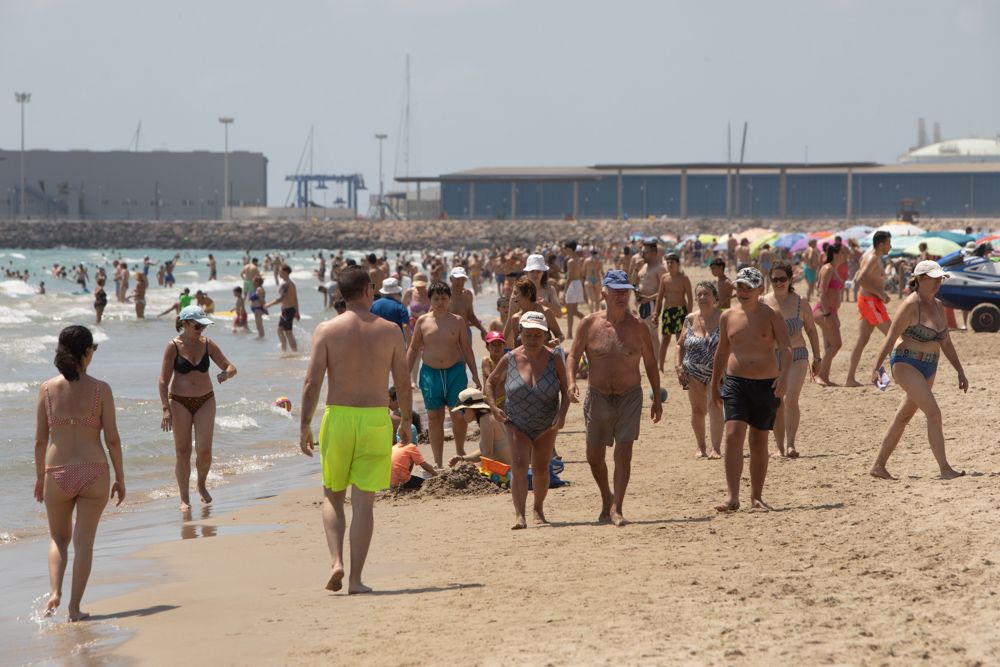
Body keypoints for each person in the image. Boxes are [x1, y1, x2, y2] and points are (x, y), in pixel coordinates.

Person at [299, 265, 413, 594]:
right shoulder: (391, 331)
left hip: (338, 416)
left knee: (332, 495)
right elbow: (403, 381)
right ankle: (356, 580)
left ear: (341, 294)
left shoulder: (326, 330)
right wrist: (405, 420)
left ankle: (336, 562)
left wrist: (304, 424)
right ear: (368, 292)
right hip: (376, 417)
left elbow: (312, 381)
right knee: (364, 503)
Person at [34, 326, 125, 621]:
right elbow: (112, 439)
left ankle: (55, 592)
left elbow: (39, 440)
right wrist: (120, 477)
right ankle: (74, 608)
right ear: (86, 352)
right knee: (84, 542)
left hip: (56, 471)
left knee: (58, 538)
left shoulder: (47, 389)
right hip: (93, 471)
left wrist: (39, 478)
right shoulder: (101, 389)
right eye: (93, 349)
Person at [568, 270, 661, 526]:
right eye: (616, 290)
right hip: (597, 396)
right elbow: (573, 355)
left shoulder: (639, 327)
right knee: (594, 456)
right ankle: (606, 498)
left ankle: (617, 507)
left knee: (623, 451)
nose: (621, 295)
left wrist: (657, 398)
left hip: (629, 396)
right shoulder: (589, 324)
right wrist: (571, 381)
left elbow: (651, 363)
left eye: (625, 290)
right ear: (604, 293)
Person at [869, 260, 967, 481]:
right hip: (906, 363)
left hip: (930, 366)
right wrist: (876, 367)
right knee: (934, 413)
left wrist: (960, 371)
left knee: (903, 416)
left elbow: (947, 344)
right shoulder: (910, 305)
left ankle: (878, 466)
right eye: (934, 278)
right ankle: (945, 468)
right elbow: (891, 337)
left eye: (940, 278)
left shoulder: (939, 305)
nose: (938, 282)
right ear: (920, 279)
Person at [711, 267, 791, 512]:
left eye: (748, 287)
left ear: (759, 289)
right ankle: (732, 496)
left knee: (758, 441)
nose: (743, 292)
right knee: (733, 435)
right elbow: (722, 351)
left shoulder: (771, 314)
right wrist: (714, 384)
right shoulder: (728, 317)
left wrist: (784, 376)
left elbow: (786, 348)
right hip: (736, 382)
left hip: (766, 384)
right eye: (740, 287)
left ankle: (756, 496)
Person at [484, 311, 570, 529]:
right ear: (520, 333)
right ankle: (519, 515)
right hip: (516, 421)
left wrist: (562, 414)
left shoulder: (554, 358)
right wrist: (494, 408)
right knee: (520, 467)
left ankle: (538, 509)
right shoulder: (510, 358)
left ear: (545, 335)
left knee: (541, 469)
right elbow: (490, 382)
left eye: (538, 336)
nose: (533, 340)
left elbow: (566, 389)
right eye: (528, 335)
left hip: (546, 423)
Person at [159, 306, 237, 511]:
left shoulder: (208, 344)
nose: (201, 328)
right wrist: (165, 409)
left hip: (205, 400)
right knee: (182, 451)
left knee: (204, 452)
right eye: (197, 325)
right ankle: (184, 498)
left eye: (203, 325)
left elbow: (231, 367)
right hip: (179, 402)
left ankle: (201, 484)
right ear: (184, 323)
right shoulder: (172, 346)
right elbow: (162, 381)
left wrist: (225, 374)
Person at [407, 281, 481, 467]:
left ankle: (459, 451)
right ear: (430, 300)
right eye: (436, 298)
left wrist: (474, 373)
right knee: (434, 416)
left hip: (455, 371)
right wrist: (404, 375)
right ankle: (438, 462)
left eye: (443, 298)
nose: (440, 302)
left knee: (458, 414)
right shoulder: (423, 321)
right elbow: (414, 348)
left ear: (449, 299)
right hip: (430, 374)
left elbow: (466, 348)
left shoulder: (457, 321)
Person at [763, 262, 822, 458]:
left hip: (797, 355)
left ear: (790, 280)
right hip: (772, 358)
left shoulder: (800, 302)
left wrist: (817, 357)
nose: (778, 283)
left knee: (791, 398)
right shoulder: (763, 302)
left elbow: (811, 330)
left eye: (782, 279)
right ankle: (779, 447)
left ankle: (790, 444)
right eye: (775, 279)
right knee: (777, 402)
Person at [676, 281, 723, 459]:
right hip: (692, 371)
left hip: (717, 371)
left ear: (715, 297)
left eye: (706, 294)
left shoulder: (724, 318)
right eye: (700, 294)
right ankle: (701, 446)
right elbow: (679, 345)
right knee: (697, 410)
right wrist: (678, 367)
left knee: (715, 405)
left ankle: (716, 448)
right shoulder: (689, 319)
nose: (703, 297)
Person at [845, 231, 893, 387]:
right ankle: (882, 375)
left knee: (862, 340)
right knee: (893, 335)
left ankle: (850, 379)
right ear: (881, 244)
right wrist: (879, 293)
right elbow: (859, 278)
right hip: (870, 302)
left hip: (869, 301)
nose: (890, 246)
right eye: (888, 243)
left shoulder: (871, 256)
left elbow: (860, 274)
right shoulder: (872, 258)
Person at [813, 243, 848, 385]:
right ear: (835, 254)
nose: (846, 255)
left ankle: (824, 376)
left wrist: (834, 314)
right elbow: (821, 292)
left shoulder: (833, 269)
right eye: (843, 252)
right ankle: (820, 375)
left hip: (829, 311)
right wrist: (828, 315)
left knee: (829, 346)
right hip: (823, 311)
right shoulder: (828, 268)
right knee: (836, 344)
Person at [448, 388, 512, 467]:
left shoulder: (486, 420)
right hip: (509, 467)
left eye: (462, 410)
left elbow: (487, 455)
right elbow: (485, 450)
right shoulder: (490, 415)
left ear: (473, 408)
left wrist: (470, 467)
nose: (461, 414)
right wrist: (463, 458)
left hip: (504, 472)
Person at [654, 252, 693, 373]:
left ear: (678, 264)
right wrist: (656, 314)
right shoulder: (664, 278)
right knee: (665, 339)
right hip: (667, 312)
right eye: (668, 262)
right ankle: (660, 367)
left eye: (672, 262)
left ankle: (681, 365)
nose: (670, 265)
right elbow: (660, 297)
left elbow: (690, 298)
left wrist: (689, 316)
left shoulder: (684, 278)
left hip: (680, 311)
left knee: (680, 340)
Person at [503, 277, 563, 348]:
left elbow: (560, 335)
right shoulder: (516, 318)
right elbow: (516, 346)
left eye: (516, 293)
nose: (513, 297)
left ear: (528, 294)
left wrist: (551, 344)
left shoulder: (545, 312)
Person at [635, 240, 666, 362]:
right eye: (641, 252)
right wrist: (635, 270)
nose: (642, 255)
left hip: (653, 304)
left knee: (653, 334)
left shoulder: (660, 269)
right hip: (641, 304)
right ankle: (647, 358)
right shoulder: (643, 267)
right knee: (642, 333)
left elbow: (664, 290)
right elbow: (635, 283)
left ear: (653, 253)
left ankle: (656, 361)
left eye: (645, 252)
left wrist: (649, 298)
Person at [265, 265, 300, 352]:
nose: (278, 272)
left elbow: (281, 299)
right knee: (280, 330)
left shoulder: (286, 284)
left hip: (288, 310)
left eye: (280, 271)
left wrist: (268, 305)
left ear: (285, 272)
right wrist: (297, 311)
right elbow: (295, 298)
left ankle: (294, 351)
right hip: (289, 310)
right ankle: (284, 350)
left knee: (288, 332)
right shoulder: (291, 283)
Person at [448, 267, 488, 343]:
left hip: (465, 332)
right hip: (447, 333)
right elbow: (433, 314)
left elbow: (470, 315)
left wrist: (482, 329)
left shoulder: (467, 295)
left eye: (462, 279)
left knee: (468, 355)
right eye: (457, 279)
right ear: (451, 279)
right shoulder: (444, 295)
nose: (460, 282)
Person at [371, 278, 411, 343]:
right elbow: (406, 328)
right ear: (397, 292)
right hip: (396, 345)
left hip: (376, 343)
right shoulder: (401, 307)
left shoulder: (373, 305)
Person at [563, 241, 585, 338]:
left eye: (566, 248)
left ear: (570, 249)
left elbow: (569, 277)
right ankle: (588, 321)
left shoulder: (570, 261)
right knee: (574, 311)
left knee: (570, 311)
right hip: (578, 283)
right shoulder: (578, 259)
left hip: (572, 284)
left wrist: (564, 291)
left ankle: (569, 334)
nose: (565, 250)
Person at [582, 248, 604, 313]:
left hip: (589, 279)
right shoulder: (599, 261)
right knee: (597, 299)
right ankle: (596, 313)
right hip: (597, 279)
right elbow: (602, 272)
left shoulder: (586, 260)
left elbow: (583, 272)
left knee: (590, 298)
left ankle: (591, 313)